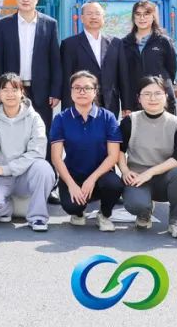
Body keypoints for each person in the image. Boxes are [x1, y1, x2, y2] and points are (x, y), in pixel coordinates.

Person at [0, 73, 54, 231]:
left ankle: (38, 217)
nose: (10, 94)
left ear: (22, 92)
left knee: (44, 169)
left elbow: (36, 153)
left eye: (14, 90)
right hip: (0, 177)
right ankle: (7, 209)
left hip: (25, 174)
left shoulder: (34, 118)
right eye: (5, 90)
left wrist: (8, 168)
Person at [118, 76, 177, 239]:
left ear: (166, 96)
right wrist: (125, 171)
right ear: (139, 98)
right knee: (136, 204)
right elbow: (119, 150)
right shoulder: (130, 121)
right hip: (137, 178)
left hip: (165, 177)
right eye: (147, 94)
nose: (152, 98)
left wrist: (150, 172)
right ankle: (144, 212)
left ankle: (176, 220)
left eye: (158, 93)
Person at [49, 71, 124, 232]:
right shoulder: (61, 119)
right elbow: (56, 157)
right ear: (71, 92)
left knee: (114, 185)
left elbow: (113, 156)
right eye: (77, 88)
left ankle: (104, 214)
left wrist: (92, 179)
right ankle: (78, 213)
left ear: (95, 91)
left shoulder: (108, 117)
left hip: (101, 175)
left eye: (87, 88)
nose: (81, 92)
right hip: (73, 176)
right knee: (72, 206)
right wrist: (71, 185)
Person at [0, 0, 61, 148]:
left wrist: (55, 91)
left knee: (42, 133)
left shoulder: (50, 24)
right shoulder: (4, 25)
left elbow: (55, 59)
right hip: (12, 90)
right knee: (12, 135)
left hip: (42, 90)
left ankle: (44, 165)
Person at [60, 1, 127, 114]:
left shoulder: (116, 43)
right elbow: (66, 77)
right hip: (81, 102)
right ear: (82, 18)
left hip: (110, 102)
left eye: (97, 13)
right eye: (89, 13)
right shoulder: (69, 44)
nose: (94, 17)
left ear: (103, 18)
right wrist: (67, 107)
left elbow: (123, 76)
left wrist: (126, 105)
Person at [121, 0, 177, 116]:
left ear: (153, 17)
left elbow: (171, 68)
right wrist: (126, 104)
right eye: (138, 14)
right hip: (136, 98)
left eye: (146, 14)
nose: (142, 18)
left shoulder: (163, 41)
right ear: (133, 17)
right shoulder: (125, 43)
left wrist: (163, 83)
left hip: (161, 96)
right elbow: (124, 75)